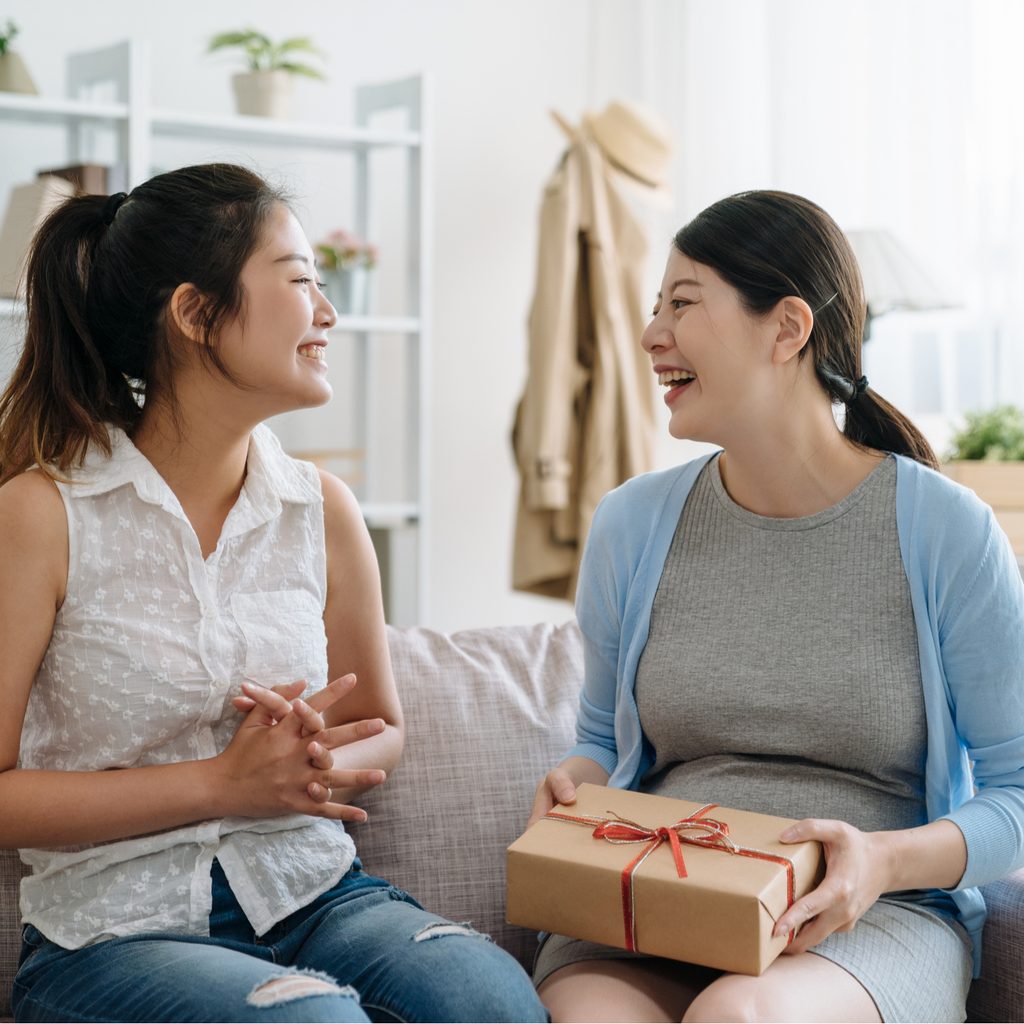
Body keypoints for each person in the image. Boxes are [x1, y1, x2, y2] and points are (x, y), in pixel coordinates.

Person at [0, 163, 546, 1024]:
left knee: (491, 1001)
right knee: (310, 1020)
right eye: (299, 282)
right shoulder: (42, 515)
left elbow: (383, 730)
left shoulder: (322, 510)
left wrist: (317, 763)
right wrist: (223, 783)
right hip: (115, 936)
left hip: (320, 898)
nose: (329, 314)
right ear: (194, 314)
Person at [528, 190, 1024, 1023]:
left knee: (740, 1017)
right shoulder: (632, 523)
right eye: (655, 308)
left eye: (682, 304)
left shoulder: (944, 530)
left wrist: (880, 862)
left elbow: (1016, 793)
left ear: (787, 328)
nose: (652, 335)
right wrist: (574, 788)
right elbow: (597, 740)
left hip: (866, 919)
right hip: (657, 902)